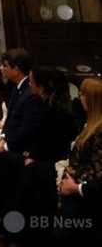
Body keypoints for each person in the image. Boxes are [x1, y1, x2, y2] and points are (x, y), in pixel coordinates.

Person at [0, 66, 78, 243]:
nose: (29, 85)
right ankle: (3, 218)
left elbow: (54, 143)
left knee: (8, 165)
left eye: (31, 82)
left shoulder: (55, 112)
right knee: (2, 161)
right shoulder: (50, 106)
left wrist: (33, 156)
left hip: (50, 161)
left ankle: (9, 223)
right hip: (40, 156)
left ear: (42, 87)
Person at [0, 48, 44, 210]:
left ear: (16, 69)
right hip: (9, 139)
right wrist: (3, 137)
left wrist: (6, 146)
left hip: (21, 145)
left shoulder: (29, 93)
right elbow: (10, 119)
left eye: (4, 65)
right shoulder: (17, 88)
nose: (1, 68)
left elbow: (26, 128)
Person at [52, 76, 102, 246]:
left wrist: (74, 186)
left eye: (83, 94)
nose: (80, 97)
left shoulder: (99, 130)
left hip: (87, 191)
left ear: (92, 99)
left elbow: (97, 170)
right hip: (76, 182)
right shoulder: (90, 124)